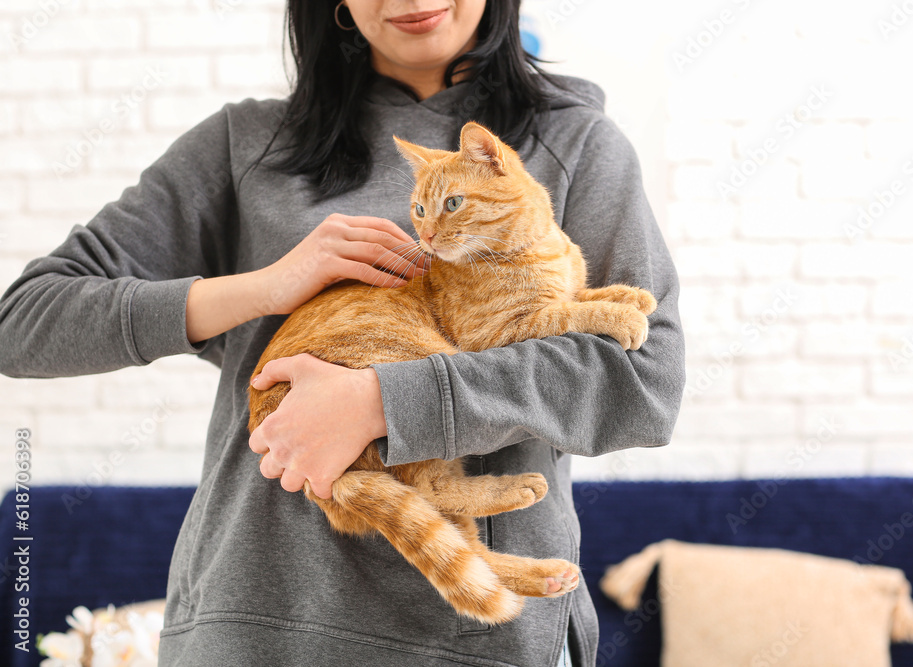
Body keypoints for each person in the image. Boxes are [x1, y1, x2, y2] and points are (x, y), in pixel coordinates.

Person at [0, 0, 685, 665]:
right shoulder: (247, 145)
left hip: (478, 641)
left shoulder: (575, 145)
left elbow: (644, 383)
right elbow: (23, 323)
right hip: (251, 625)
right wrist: (264, 288)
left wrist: (383, 401)